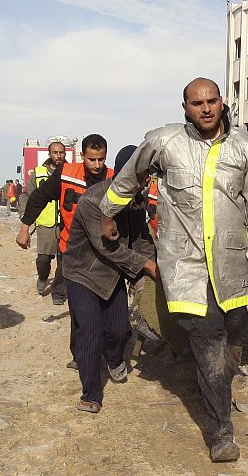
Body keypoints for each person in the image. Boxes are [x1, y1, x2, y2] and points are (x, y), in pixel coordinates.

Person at [97, 77, 248, 463]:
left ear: (222, 102)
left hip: (229, 264)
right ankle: (221, 431)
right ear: (185, 108)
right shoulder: (165, 142)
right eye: (197, 103)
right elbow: (130, 175)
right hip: (184, 266)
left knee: (231, 336)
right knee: (208, 342)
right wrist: (108, 213)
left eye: (212, 100)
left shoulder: (244, 147)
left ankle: (217, 383)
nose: (206, 108)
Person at [63, 145, 157, 414]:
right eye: (140, 176)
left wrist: (153, 266)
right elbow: (108, 248)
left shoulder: (137, 201)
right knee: (90, 330)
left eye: (146, 177)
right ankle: (91, 393)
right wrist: (147, 265)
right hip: (83, 274)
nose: (144, 182)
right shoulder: (95, 200)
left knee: (119, 331)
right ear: (124, 174)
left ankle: (114, 359)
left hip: (113, 276)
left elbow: (141, 239)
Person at [18, 134, 114, 372]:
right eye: (92, 159)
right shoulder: (66, 174)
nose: (97, 165)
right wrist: (24, 227)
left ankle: (108, 352)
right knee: (79, 310)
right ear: (82, 156)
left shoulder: (114, 178)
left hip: (104, 256)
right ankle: (81, 355)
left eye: (101, 159)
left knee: (105, 309)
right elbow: (39, 196)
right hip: (71, 253)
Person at [27, 141, 67, 298]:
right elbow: (29, 196)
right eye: (55, 152)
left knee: (64, 260)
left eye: (61, 152)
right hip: (45, 223)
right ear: (50, 154)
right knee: (43, 259)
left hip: (66, 223)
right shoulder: (38, 172)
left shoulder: (70, 172)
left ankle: (58, 291)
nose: (59, 155)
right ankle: (43, 277)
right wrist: (26, 216)